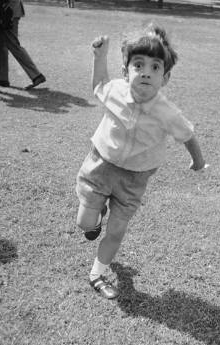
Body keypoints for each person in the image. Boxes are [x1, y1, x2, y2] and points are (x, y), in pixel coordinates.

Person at [75, 23, 207, 299]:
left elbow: (188, 136)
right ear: (126, 72)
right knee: (85, 225)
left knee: (116, 231)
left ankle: (97, 274)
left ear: (165, 77)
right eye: (138, 65)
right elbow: (99, 85)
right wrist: (99, 57)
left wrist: (198, 161)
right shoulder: (115, 91)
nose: (146, 72)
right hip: (100, 168)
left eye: (155, 67)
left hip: (133, 181)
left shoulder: (167, 112)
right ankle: (95, 217)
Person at [0, 0, 46, 90]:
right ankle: (3, 79)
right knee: (2, 45)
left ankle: (36, 75)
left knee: (13, 45)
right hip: (8, 10)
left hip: (9, 11)